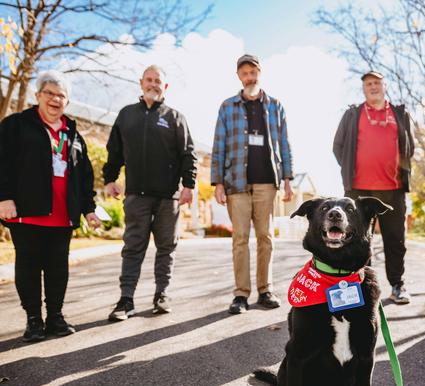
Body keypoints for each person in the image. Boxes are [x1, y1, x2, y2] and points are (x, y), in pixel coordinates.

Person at [0, 70, 100, 341]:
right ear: (38, 96)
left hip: (62, 214)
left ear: (67, 102)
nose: (55, 99)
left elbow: (84, 175)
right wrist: (4, 197)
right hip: (27, 212)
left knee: (58, 268)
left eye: (61, 95)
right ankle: (34, 320)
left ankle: (55, 317)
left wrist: (89, 209)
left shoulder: (73, 134)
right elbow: (3, 162)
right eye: (50, 93)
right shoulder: (17, 125)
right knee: (29, 265)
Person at [103, 65, 197, 321]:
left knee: (167, 248)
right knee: (133, 248)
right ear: (141, 83)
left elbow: (188, 154)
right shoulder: (126, 115)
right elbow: (114, 152)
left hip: (168, 197)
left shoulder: (176, 117)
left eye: (158, 81)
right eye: (149, 79)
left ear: (165, 87)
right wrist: (109, 179)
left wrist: (188, 185)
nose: (153, 84)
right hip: (136, 196)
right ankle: (126, 300)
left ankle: (162, 294)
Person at [211, 54, 294, 315]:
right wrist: (217, 183)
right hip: (236, 182)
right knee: (240, 239)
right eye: (245, 73)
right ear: (239, 76)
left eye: (253, 72)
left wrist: (288, 179)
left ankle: (265, 289)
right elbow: (218, 145)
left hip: (267, 183)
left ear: (260, 73)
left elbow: (284, 143)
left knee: (265, 237)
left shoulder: (276, 106)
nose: (250, 77)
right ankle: (240, 294)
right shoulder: (227, 107)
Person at [333, 71, 414, 304]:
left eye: (377, 82)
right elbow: (338, 147)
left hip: (393, 189)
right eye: (368, 83)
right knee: (358, 240)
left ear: (384, 86)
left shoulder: (400, 114)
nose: (373, 86)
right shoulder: (352, 114)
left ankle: (397, 285)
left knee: (395, 239)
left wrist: (400, 172)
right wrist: (351, 169)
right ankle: (361, 288)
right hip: (358, 190)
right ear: (363, 89)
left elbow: (410, 148)